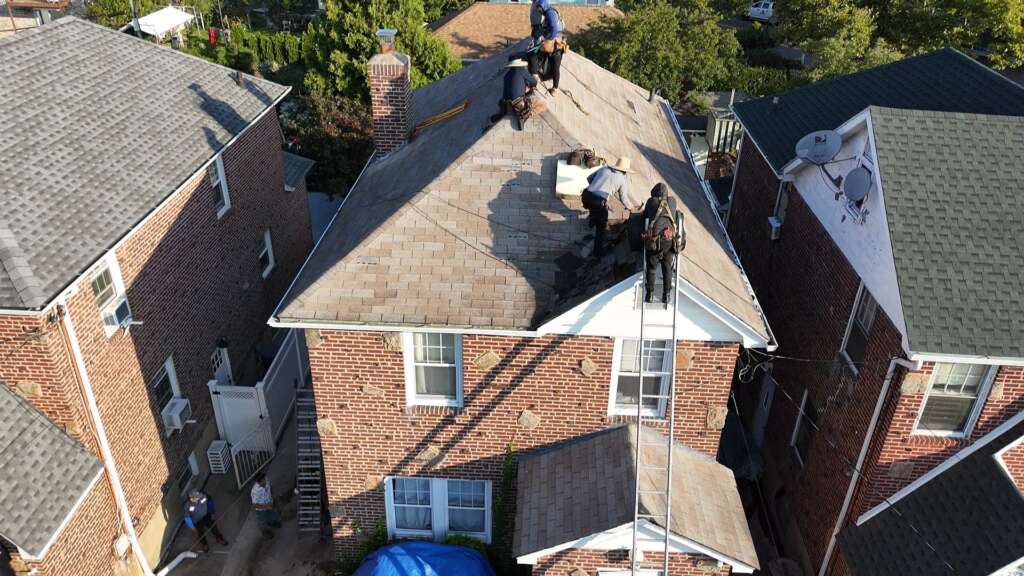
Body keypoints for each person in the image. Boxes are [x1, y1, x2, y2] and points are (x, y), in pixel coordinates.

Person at [582, 157, 639, 258]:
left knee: (592, 209)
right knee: (601, 229)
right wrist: (631, 208)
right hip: (598, 203)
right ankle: (597, 253)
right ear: (625, 171)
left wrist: (597, 186)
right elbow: (624, 198)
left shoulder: (604, 169)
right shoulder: (622, 179)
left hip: (586, 195)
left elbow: (589, 178)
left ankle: (591, 223)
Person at [641, 183, 685, 303]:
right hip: (669, 242)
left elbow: (644, 216)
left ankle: (649, 295)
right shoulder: (673, 201)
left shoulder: (651, 202)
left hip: (654, 241)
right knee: (667, 268)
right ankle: (667, 295)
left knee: (651, 268)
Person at [489, 59, 538, 129]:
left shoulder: (507, 74)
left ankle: (502, 112)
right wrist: (532, 85)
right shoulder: (521, 70)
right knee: (539, 103)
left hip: (505, 102)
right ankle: (522, 116)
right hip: (518, 102)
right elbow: (534, 82)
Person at [251, 472, 281, 537]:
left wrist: (273, 497)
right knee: (262, 521)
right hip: (261, 510)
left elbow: (270, 488)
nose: (265, 481)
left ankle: (272, 523)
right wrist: (266, 506)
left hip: (270, 503)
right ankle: (265, 532)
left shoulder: (266, 480)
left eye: (264, 479)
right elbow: (255, 505)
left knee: (272, 515)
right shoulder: (255, 491)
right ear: (258, 482)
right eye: (263, 481)